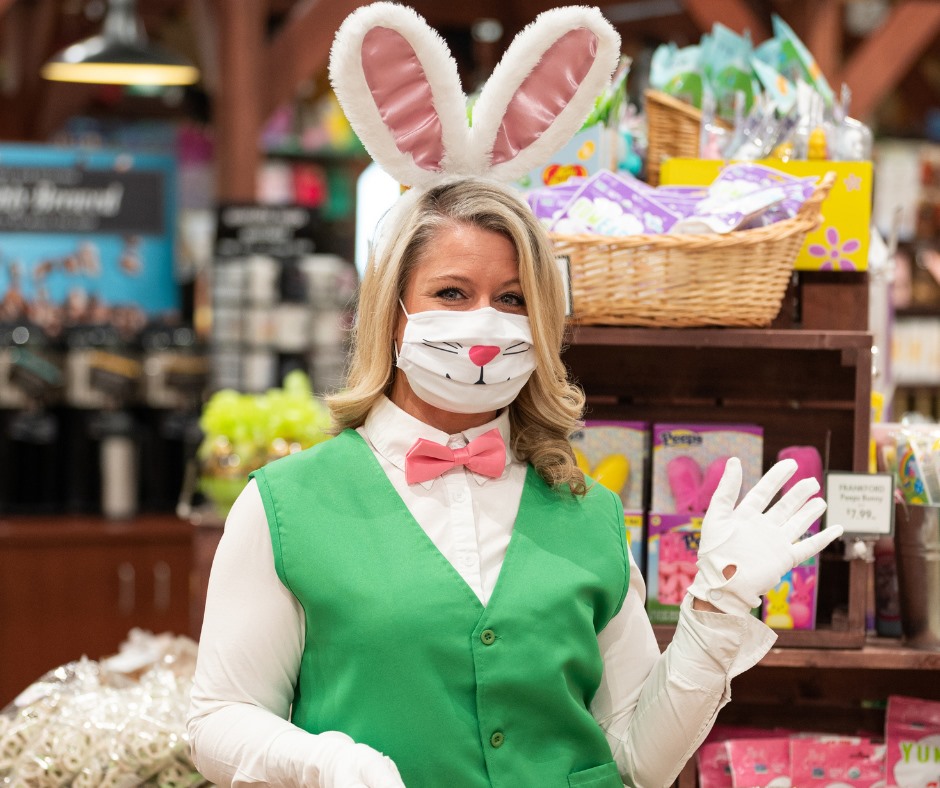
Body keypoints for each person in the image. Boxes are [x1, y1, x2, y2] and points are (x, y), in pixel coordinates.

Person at [188, 6, 843, 787]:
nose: (484, 325)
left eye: (512, 300)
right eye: (451, 292)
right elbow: (218, 719)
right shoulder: (285, 508)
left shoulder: (590, 515)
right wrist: (322, 761)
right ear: (390, 314)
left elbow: (640, 759)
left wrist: (715, 609)